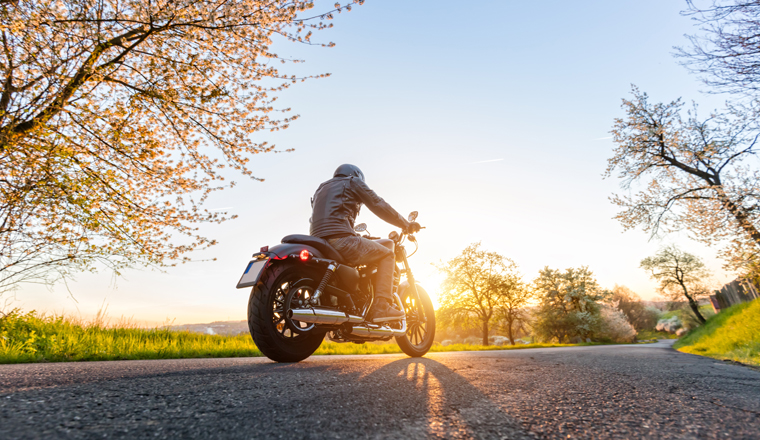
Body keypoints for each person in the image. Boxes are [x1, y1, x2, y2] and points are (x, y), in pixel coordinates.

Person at [310, 164, 421, 322]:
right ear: (356, 175)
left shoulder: (321, 189)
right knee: (388, 255)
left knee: (384, 247)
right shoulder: (352, 181)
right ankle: (381, 306)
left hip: (319, 241)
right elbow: (378, 204)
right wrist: (405, 224)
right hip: (341, 240)